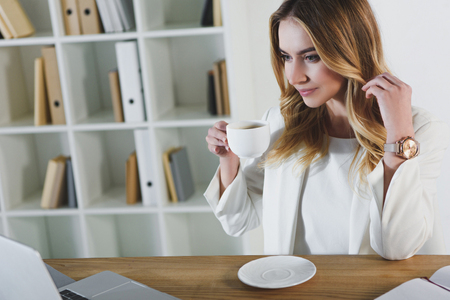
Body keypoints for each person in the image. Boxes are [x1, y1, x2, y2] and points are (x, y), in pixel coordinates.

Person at [204, 0, 450, 260]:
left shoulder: (420, 131)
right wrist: (229, 158)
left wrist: (399, 136)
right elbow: (238, 222)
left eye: (311, 56)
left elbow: (396, 249)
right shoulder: (281, 123)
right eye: (286, 57)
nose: (294, 77)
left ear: (351, 48)